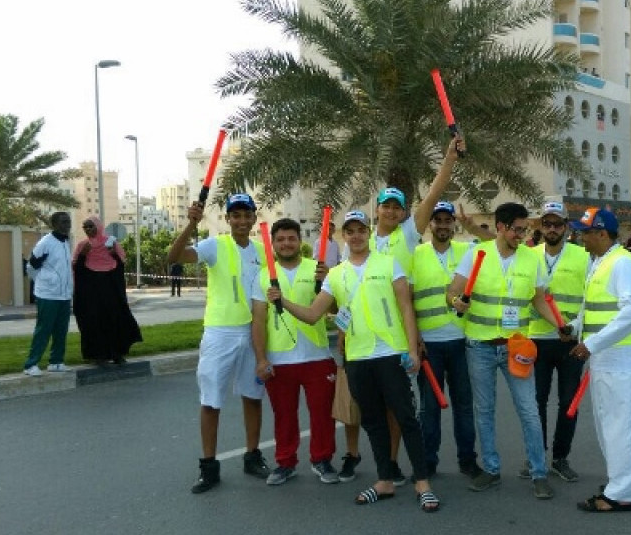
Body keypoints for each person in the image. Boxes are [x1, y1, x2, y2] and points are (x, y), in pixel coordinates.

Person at [269, 210, 440, 512]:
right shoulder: (336, 274)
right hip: (358, 358)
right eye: (350, 231)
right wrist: (281, 300)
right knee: (373, 422)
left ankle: (422, 482)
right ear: (344, 236)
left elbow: (405, 307)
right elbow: (313, 314)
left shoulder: (389, 263)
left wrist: (413, 350)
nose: (356, 236)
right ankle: (384, 480)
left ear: (368, 233)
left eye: (361, 230)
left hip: (391, 353)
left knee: (406, 417)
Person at [359, 133, 464, 484]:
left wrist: (449, 157)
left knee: (399, 406)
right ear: (377, 209)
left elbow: (434, 193)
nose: (391, 211)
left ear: (404, 212)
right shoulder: (360, 241)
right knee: (374, 408)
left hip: (397, 334)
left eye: (397, 207)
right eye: (386, 205)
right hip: (366, 336)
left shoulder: (406, 234)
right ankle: (383, 465)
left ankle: (399, 464)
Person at [447, 202, 569, 500]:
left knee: (529, 410)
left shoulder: (531, 259)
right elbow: (452, 291)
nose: (521, 235)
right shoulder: (476, 254)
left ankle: (539, 473)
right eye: (516, 229)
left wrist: (559, 325)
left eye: (524, 229)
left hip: (516, 347)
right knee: (485, 411)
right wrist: (455, 302)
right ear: (500, 227)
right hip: (480, 346)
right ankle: (491, 469)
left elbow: (539, 299)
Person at [566, 207, 631, 513]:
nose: (580, 238)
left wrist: (591, 344)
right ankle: (626, 483)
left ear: (602, 234)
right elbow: (595, 309)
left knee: (623, 427)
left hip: (623, 359)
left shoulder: (623, 263)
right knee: (615, 424)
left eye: (585, 233)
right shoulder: (600, 262)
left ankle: (620, 494)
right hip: (609, 358)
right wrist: (573, 328)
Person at [167, 193, 271, 493]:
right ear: (228, 219)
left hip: (253, 332)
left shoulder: (263, 250)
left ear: (254, 218)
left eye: (247, 215)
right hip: (219, 333)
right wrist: (191, 224)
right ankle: (208, 467)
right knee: (211, 400)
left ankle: (253, 456)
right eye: (235, 215)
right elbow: (175, 257)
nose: (241, 220)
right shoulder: (215, 245)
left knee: (253, 396)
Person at [252, 218, 339, 486]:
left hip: (317, 355)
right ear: (273, 243)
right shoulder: (263, 275)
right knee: (284, 415)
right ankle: (285, 462)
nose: (286, 243)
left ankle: (322, 459)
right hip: (280, 359)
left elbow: (335, 309)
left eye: (291, 238)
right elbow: (259, 320)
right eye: (280, 239)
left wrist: (327, 281)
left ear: (300, 241)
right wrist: (261, 358)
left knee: (322, 414)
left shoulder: (318, 270)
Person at [410, 201, 482, 479]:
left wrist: (473, 228)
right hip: (429, 345)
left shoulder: (468, 251)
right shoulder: (415, 254)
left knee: (464, 405)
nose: (442, 225)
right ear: (429, 224)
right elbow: (408, 301)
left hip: (462, 341)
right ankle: (428, 461)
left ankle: (468, 459)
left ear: (454, 223)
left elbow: (498, 244)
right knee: (429, 407)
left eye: (447, 220)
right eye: (437, 220)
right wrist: (415, 338)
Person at [526, 201, 590, 483]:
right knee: (535, 402)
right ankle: (537, 456)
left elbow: (589, 298)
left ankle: (560, 458)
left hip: (570, 342)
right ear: (540, 226)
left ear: (566, 227)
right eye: (547, 224)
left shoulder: (582, 256)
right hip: (536, 339)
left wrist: (575, 327)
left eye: (557, 224)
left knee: (568, 402)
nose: (552, 229)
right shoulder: (528, 256)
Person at [72, 216, 142, 366]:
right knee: (94, 323)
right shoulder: (83, 246)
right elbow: (77, 270)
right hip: (92, 296)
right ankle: (98, 355)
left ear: (98, 227)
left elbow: (120, 267)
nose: (88, 230)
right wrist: (83, 255)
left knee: (115, 321)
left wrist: (113, 254)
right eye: (85, 227)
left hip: (111, 293)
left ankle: (117, 354)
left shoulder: (111, 244)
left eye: (91, 226)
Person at [22, 212, 75, 376]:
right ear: (54, 224)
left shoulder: (65, 242)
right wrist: (44, 282)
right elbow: (31, 266)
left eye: (68, 221)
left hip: (64, 295)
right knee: (43, 330)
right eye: (63, 222)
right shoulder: (46, 242)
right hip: (48, 295)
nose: (67, 225)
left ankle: (56, 362)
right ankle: (31, 364)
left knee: (61, 330)